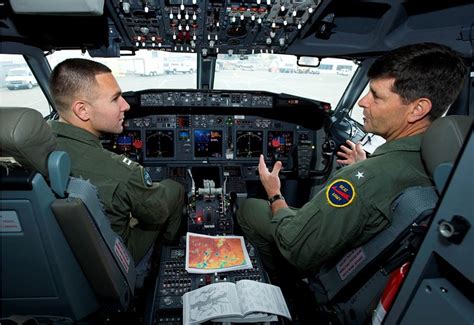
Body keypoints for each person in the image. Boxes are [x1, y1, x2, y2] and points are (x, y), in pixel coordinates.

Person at [237, 43, 467, 279]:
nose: (362, 102)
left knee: (249, 209)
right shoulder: (451, 165)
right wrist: (364, 167)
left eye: (376, 96)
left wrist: (275, 194)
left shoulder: (366, 179)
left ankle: (283, 285)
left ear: (418, 109)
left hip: (313, 258)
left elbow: (296, 247)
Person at [49, 58, 185, 264]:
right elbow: (157, 214)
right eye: (115, 99)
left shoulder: (33, 148)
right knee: (173, 189)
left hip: (62, 250)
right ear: (82, 110)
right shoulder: (122, 172)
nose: (126, 105)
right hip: (115, 255)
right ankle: (165, 250)